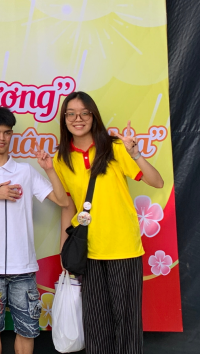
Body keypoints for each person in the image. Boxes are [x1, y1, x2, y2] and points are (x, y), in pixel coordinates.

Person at [55, 92, 163, 354]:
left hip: (123, 248)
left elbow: (157, 182)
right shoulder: (61, 159)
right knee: (95, 324)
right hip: (88, 251)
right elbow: (68, 207)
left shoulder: (114, 147)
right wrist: (64, 251)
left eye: (84, 113)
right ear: (64, 119)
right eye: (71, 113)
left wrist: (135, 153)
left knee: (126, 323)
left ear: (94, 116)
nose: (78, 119)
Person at [0, 107, 71, 354]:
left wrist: (49, 169)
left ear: (12, 135)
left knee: (27, 330)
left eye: (7, 132)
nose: (1, 138)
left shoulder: (25, 171)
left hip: (24, 267)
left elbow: (63, 201)